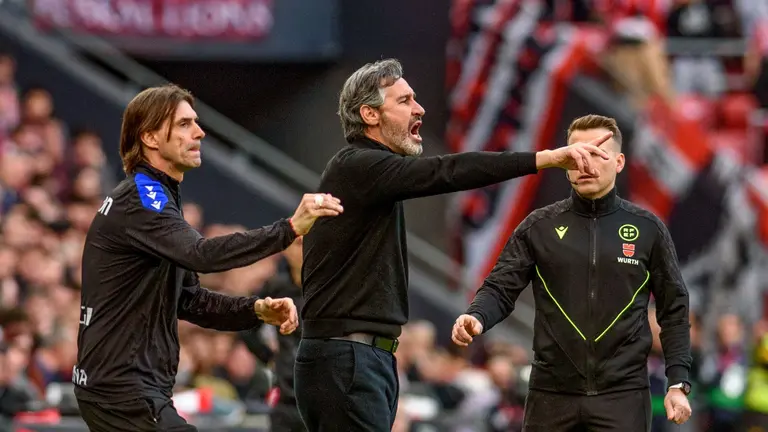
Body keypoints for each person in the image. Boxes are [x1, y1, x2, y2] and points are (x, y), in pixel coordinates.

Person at [295, 58, 612, 431]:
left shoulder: (369, 174)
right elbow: (446, 171)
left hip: (359, 358)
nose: (419, 108)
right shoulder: (358, 165)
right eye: (404, 100)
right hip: (347, 358)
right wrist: (545, 159)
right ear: (370, 114)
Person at [73, 84, 343, 432]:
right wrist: (288, 229)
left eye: (196, 122)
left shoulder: (156, 201)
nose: (199, 132)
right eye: (184, 124)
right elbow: (201, 254)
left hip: (128, 389)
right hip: (122, 389)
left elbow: (191, 301)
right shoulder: (144, 196)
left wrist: (255, 311)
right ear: (151, 137)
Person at [452, 114, 693, 431]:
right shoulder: (539, 226)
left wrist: (678, 381)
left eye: (598, 153)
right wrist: (477, 315)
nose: (585, 163)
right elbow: (500, 288)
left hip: (623, 397)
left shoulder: (648, 230)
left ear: (619, 162)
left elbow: (674, 308)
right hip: (550, 394)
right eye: (577, 154)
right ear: (565, 163)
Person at [240, 236, 305, 432]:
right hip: (285, 392)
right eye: (299, 244)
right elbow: (246, 326)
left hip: (324, 392)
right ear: (286, 249)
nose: (303, 250)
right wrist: (268, 357)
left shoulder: (330, 290)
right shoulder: (276, 287)